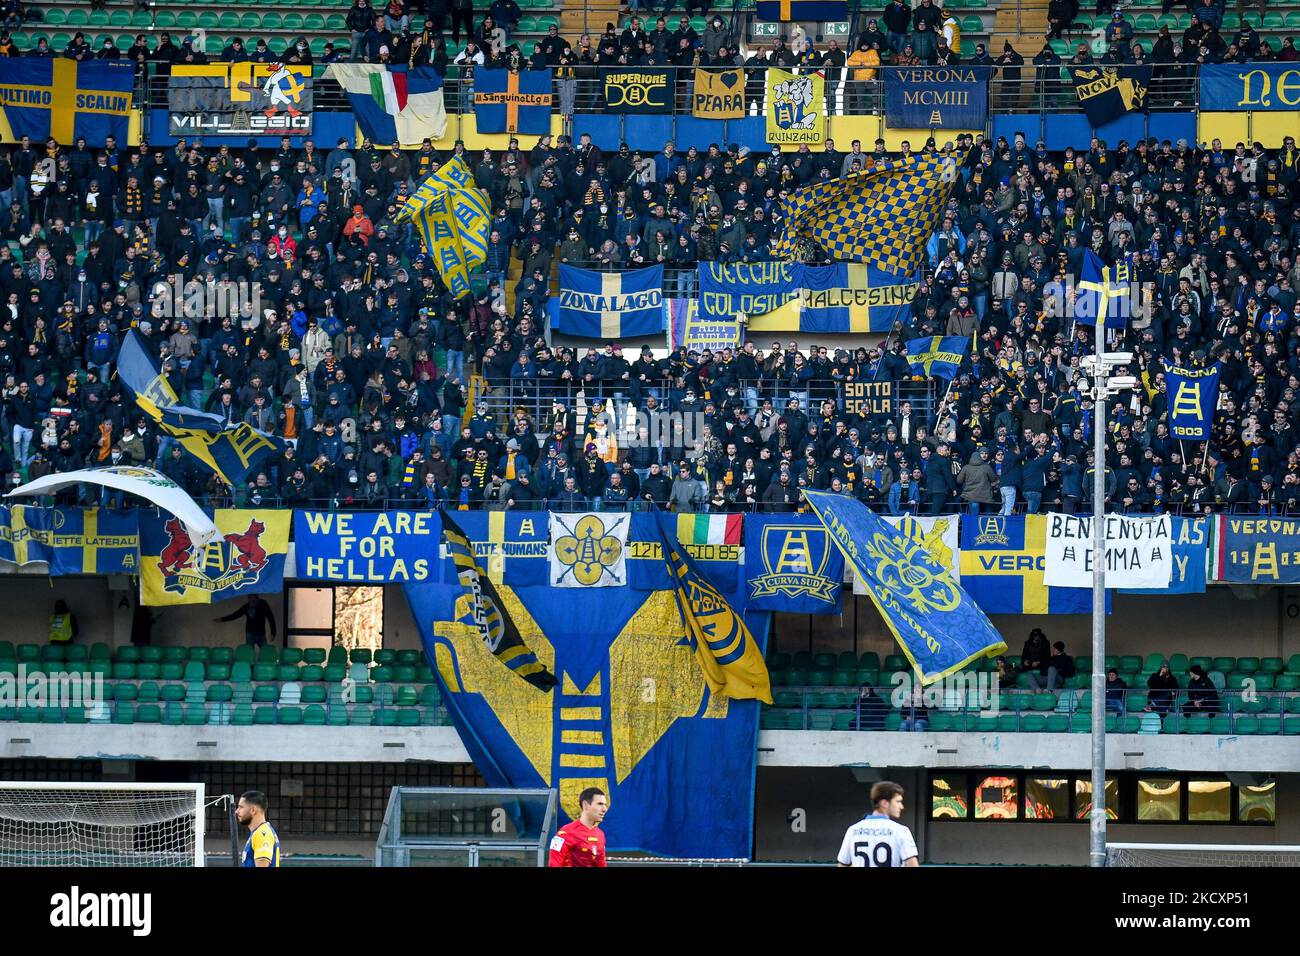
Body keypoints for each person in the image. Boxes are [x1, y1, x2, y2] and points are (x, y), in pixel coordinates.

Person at [836, 780, 919, 867]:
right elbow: (912, 864)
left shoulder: (853, 830)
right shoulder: (901, 831)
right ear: (884, 803)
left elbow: (843, 864)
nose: (901, 806)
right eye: (898, 801)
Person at [547, 786, 607, 867]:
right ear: (585, 805)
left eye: (605, 804)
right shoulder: (565, 833)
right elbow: (554, 864)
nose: (604, 809)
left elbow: (602, 864)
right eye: (600, 804)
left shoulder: (600, 834)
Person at [236, 790, 281, 867]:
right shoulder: (258, 832)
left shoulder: (262, 834)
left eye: (241, 807)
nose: (237, 811)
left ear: (253, 810)